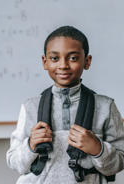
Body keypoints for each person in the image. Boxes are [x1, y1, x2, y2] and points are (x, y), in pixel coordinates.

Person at [6, 26, 124, 184]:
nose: (63, 65)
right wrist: (30, 145)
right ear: (45, 62)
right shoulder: (30, 107)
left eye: (73, 58)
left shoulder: (105, 106)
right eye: (55, 58)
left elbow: (118, 163)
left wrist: (98, 148)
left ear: (87, 61)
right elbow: (15, 162)